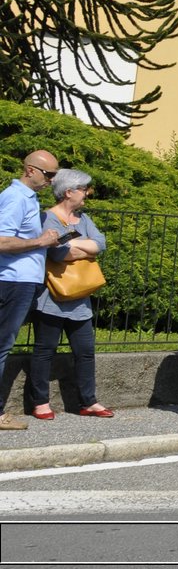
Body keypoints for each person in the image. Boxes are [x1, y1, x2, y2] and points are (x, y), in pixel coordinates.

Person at [25, 167, 110, 420]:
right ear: (68, 191)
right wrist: (85, 248)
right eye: (84, 189)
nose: (87, 193)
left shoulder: (83, 219)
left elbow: (101, 244)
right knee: (45, 350)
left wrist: (71, 243)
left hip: (79, 297)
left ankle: (89, 401)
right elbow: (57, 253)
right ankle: (40, 402)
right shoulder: (46, 219)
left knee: (85, 351)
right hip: (51, 297)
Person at [0, 150, 61, 431]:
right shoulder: (15, 198)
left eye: (54, 176)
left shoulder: (28, 199)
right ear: (30, 170)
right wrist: (41, 241)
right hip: (12, 280)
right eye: (48, 175)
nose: (51, 181)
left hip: (19, 280)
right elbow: (1, 241)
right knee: (2, 346)